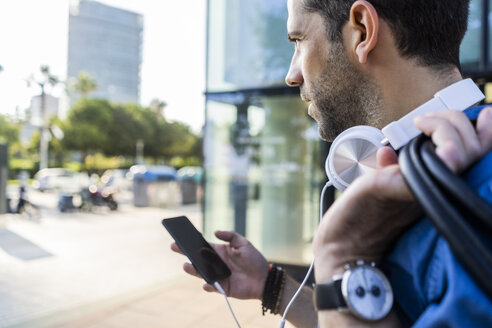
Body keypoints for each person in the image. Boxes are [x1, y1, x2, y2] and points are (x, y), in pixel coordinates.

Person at [172, 0, 492, 327]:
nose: (291, 75)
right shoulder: (407, 164)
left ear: (362, 31)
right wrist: (272, 287)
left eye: (298, 40)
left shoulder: (481, 192)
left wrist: (341, 254)